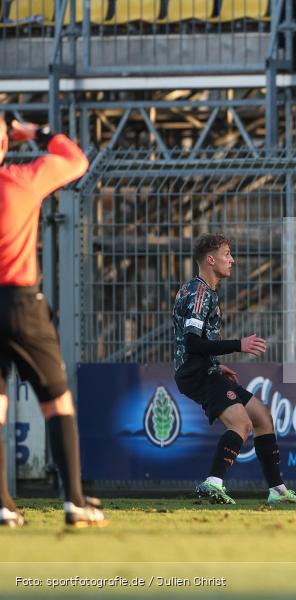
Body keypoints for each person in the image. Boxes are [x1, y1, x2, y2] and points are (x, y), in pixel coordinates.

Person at [0, 114, 106, 527]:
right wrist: (36, 132)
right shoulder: (22, 179)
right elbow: (76, 160)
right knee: (56, 399)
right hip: (21, 303)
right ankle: (75, 501)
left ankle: (4, 506)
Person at [173, 234, 296, 506]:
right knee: (242, 423)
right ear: (210, 260)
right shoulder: (199, 294)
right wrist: (239, 345)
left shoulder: (202, 291)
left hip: (205, 368)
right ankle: (213, 483)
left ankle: (278, 491)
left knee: (261, 417)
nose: (232, 259)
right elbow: (191, 342)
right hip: (196, 374)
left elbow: (195, 342)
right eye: (226, 254)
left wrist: (214, 361)